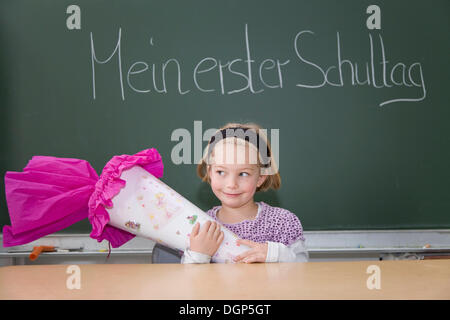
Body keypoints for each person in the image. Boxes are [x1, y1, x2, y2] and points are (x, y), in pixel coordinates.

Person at [182, 122, 308, 263]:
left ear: (260, 178)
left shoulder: (282, 223)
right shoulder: (200, 227)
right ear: (210, 172)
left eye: (243, 174)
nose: (231, 184)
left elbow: (302, 270)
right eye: (221, 172)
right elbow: (190, 282)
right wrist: (198, 255)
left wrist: (275, 254)